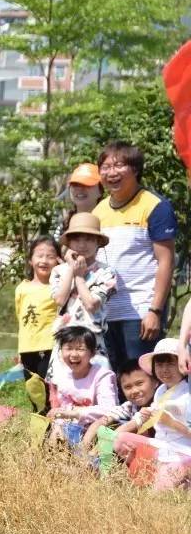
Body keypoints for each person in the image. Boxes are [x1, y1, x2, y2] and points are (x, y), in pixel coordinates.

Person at [93, 141, 178, 369]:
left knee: (142, 375)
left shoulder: (155, 206)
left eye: (119, 165)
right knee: (114, 376)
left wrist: (155, 311)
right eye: (105, 167)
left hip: (140, 311)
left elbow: (166, 262)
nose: (111, 173)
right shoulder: (98, 210)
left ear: (136, 169)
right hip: (105, 312)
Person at [48, 212, 117, 376]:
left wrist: (79, 276)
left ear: (98, 242)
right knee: (61, 389)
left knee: (99, 386)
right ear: (70, 242)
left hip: (93, 339)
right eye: (77, 239)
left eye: (89, 239)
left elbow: (91, 304)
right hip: (65, 340)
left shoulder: (107, 272)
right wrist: (71, 270)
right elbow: (59, 299)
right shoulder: (59, 271)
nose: (82, 244)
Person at [124, 338, 191, 490]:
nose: (164, 369)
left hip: (182, 452)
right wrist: (146, 415)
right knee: (120, 440)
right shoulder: (160, 390)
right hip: (162, 448)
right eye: (160, 364)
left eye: (170, 364)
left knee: (157, 496)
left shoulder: (188, 393)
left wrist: (171, 422)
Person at [79, 359, 157, 452]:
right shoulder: (130, 406)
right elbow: (102, 421)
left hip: (163, 453)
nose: (134, 391)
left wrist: (94, 452)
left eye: (139, 383)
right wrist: (83, 450)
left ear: (155, 382)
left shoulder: (157, 404)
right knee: (101, 427)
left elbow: (126, 428)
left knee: (120, 436)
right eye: (128, 387)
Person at [14, 235, 61, 390]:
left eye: (50, 257)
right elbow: (21, 320)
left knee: (48, 386)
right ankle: (37, 414)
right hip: (27, 347)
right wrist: (19, 350)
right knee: (32, 388)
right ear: (30, 260)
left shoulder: (58, 289)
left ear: (58, 261)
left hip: (50, 346)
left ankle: (51, 413)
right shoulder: (22, 288)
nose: (44, 261)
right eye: (39, 255)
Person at [46, 326, 117, 423]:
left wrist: (74, 413)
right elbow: (63, 411)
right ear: (61, 351)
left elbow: (109, 410)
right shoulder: (63, 378)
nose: (74, 354)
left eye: (80, 349)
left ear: (92, 353)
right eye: (69, 348)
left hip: (100, 428)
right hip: (73, 428)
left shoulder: (103, 376)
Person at [57, 162, 104, 237]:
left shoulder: (108, 222)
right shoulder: (64, 224)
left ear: (100, 191)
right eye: (75, 185)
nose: (80, 189)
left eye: (87, 184)